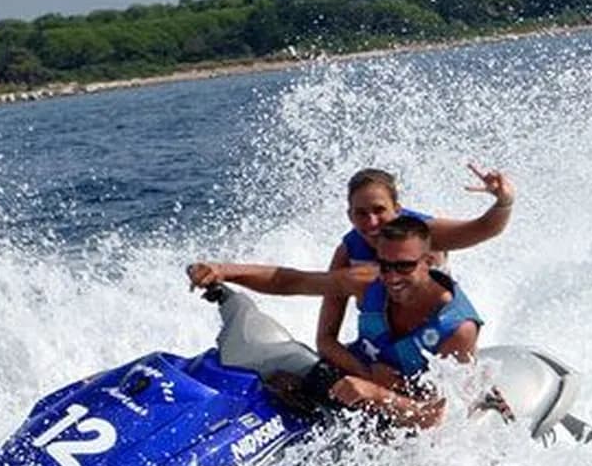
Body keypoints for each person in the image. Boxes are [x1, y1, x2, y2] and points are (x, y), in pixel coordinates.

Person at [188, 215, 482, 429]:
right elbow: (293, 281)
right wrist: (222, 271)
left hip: (401, 423)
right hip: (344, 381)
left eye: (404, 266)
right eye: (385, 265)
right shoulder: (369, 281)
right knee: (265, 372)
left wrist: (377, 394)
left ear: (428, 262)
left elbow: (434, 417)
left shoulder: (457, 329)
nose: (392, 276)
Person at [318, 164, 512, 379]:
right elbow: (325, 339)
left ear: (397, 209)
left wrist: (503, 202)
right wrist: (367, 374)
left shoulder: (424, 236)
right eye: (361, 213)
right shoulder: (347, 253)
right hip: (382, 354)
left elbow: (484, 228)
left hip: (434, 349)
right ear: (350, 215)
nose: (372, 222)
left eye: (379, 210)